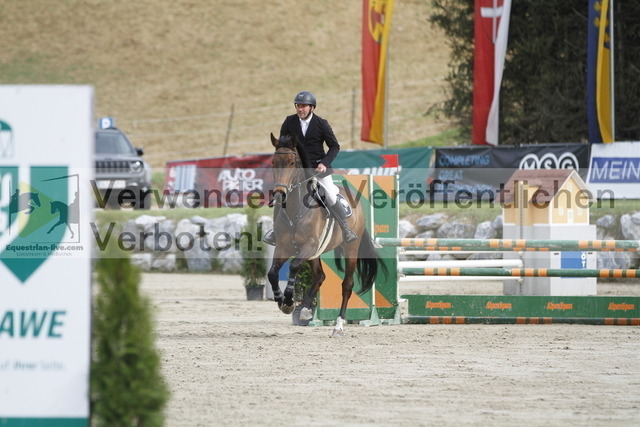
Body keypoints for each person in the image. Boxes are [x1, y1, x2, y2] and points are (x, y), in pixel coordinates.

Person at [263, 90, 357, 246]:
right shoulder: (289, 122)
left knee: (330, 194)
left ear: (311, 108)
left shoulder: (321, 124)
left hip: (318, 169)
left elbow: (334, 146)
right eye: (298, 106)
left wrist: (324, 163)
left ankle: (346, 229)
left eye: (303, 106)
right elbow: (284, 145)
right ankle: (275, 232)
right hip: (297, 172)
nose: (300, 109)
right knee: (280, 196)